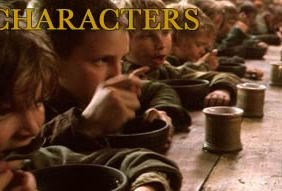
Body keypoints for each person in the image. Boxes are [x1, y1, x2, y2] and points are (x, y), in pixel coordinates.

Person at [0, 8, 182, 190]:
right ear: (54, 59)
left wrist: (164, 110)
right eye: (2, 113)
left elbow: (142, 161)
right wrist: (85, 123)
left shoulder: (18, 160)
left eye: (37, 103)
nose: (33, 128)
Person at [34, 0, 190, 151]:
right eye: (102, 60)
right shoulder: (28, 109)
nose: (117, 74)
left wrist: (161, 112)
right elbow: (25, 157)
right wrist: (85, 125)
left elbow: (158, 90)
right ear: (51, 61)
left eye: (122, 59)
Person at [122, 0, 242, 108]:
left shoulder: (165, 70)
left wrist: (222, 89)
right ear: (123, 39)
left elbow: (222, 76)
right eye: (147, 35)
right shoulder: (122, 76)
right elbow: (161, 92)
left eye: (165, 32)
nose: (161, 44)